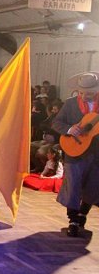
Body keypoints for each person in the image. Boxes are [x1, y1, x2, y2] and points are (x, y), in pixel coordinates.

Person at [52, 72, 99, 237]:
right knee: (73, 186)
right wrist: (69, 129)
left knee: (93, 185)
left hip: (96, 153)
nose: (85, 96)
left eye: (89, 93)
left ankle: (82, 214)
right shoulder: (70, 103)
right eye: (82, 92)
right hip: (74, 151)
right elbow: (56, 122)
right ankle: (72, 219)